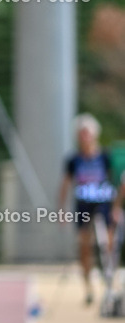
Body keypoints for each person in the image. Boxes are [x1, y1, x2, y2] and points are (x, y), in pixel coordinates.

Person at [58, 113, 115, 304]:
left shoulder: (105, 156)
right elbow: (65, 185)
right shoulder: (73, 160)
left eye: (87, 133)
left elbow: (114, 181)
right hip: (83, 204)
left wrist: (116, 207)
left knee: (107, 242)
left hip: (103, 202)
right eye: (81, 133)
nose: (85, 137)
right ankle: (88, 286)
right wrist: (61, 210)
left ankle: (108, 280)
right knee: (84, 244)